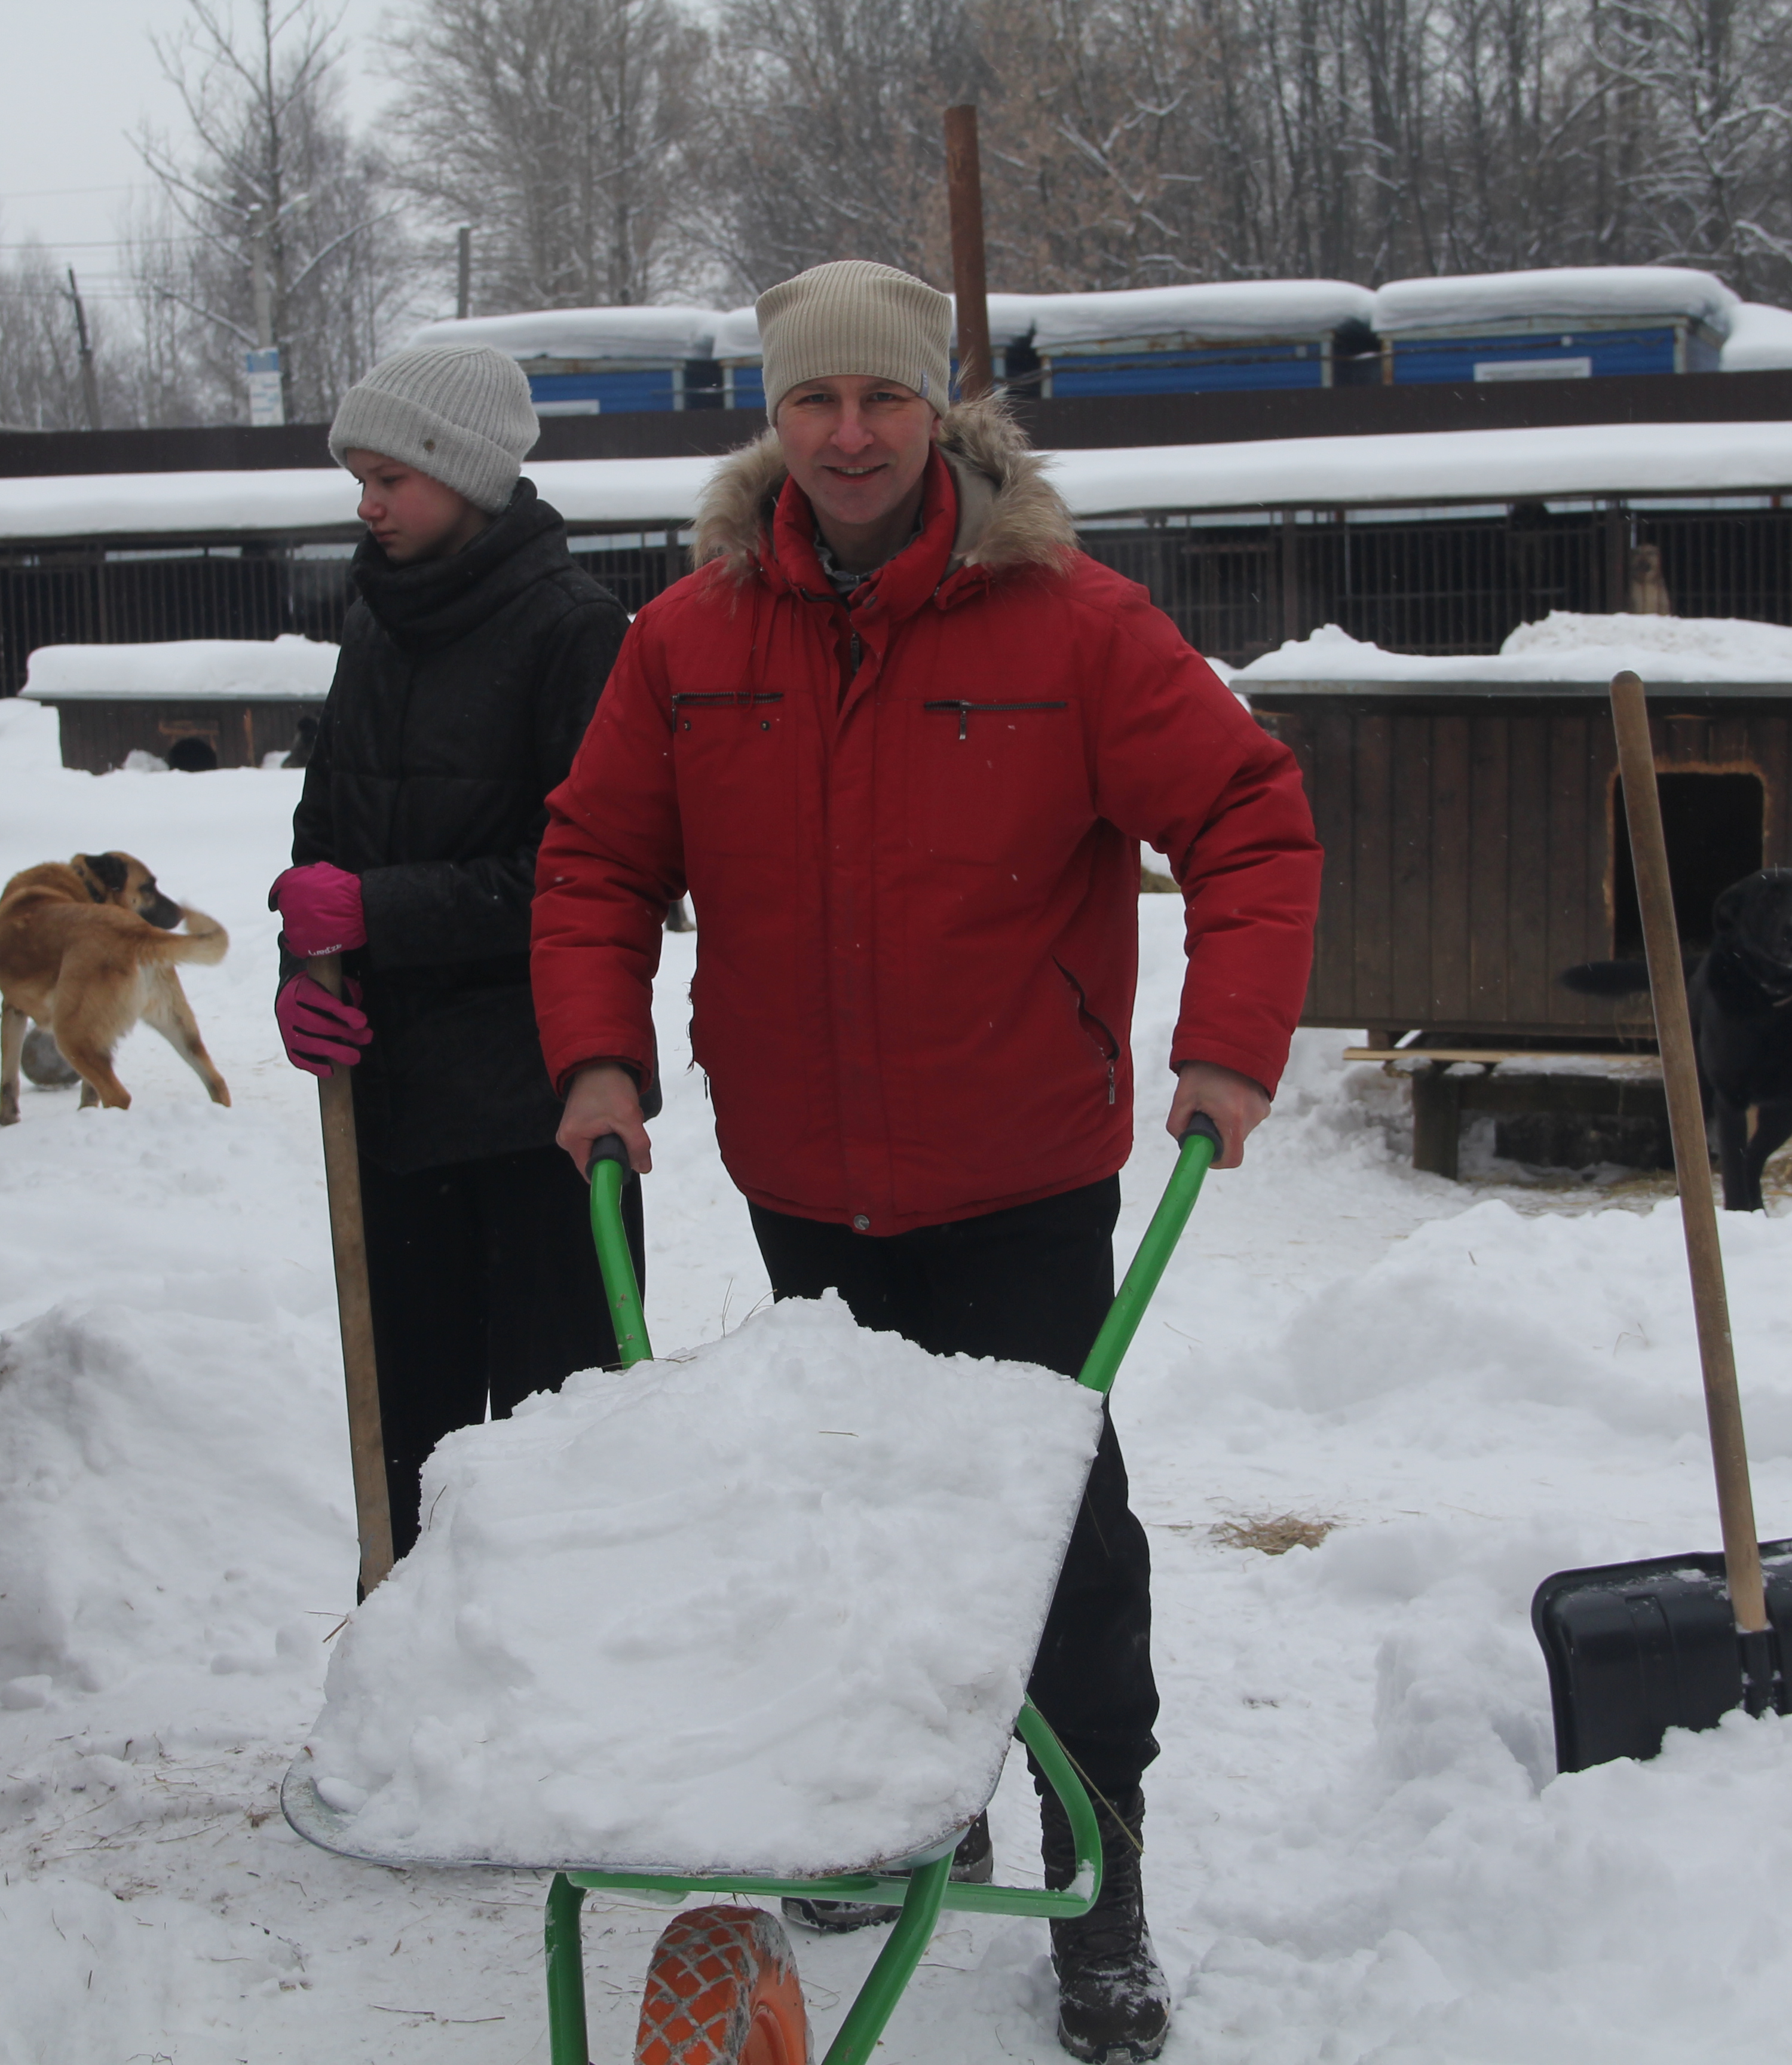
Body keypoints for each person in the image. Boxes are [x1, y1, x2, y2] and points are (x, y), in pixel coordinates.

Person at [529, 261, 1321, 2064]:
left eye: (885, 400)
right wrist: (597, 1055)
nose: (852, 434)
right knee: (849, 1513)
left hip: (1018, 1171)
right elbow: (592, 863)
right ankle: (912, 1802)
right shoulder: (692, 641)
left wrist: (1229, 1047)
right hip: (803, 1167)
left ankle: (1097, 1874)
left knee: (1052, 1539)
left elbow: (1250, 817)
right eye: (817, 402)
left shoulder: (1073, 624)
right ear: (777, 422)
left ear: (940, 412)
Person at [271, 342, 645, 1562]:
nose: (368, 506)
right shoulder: (378, 621)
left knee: (554, 1450)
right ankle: (407, 1701)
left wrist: (383, 912)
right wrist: (304, 968)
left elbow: (589, 877)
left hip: (540, 1110)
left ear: (469, 477)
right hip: (391, 1107)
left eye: (392, 479)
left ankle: (557, 1703)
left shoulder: (576, 634)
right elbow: (324, 838)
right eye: (359, 481)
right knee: (409, 1453)